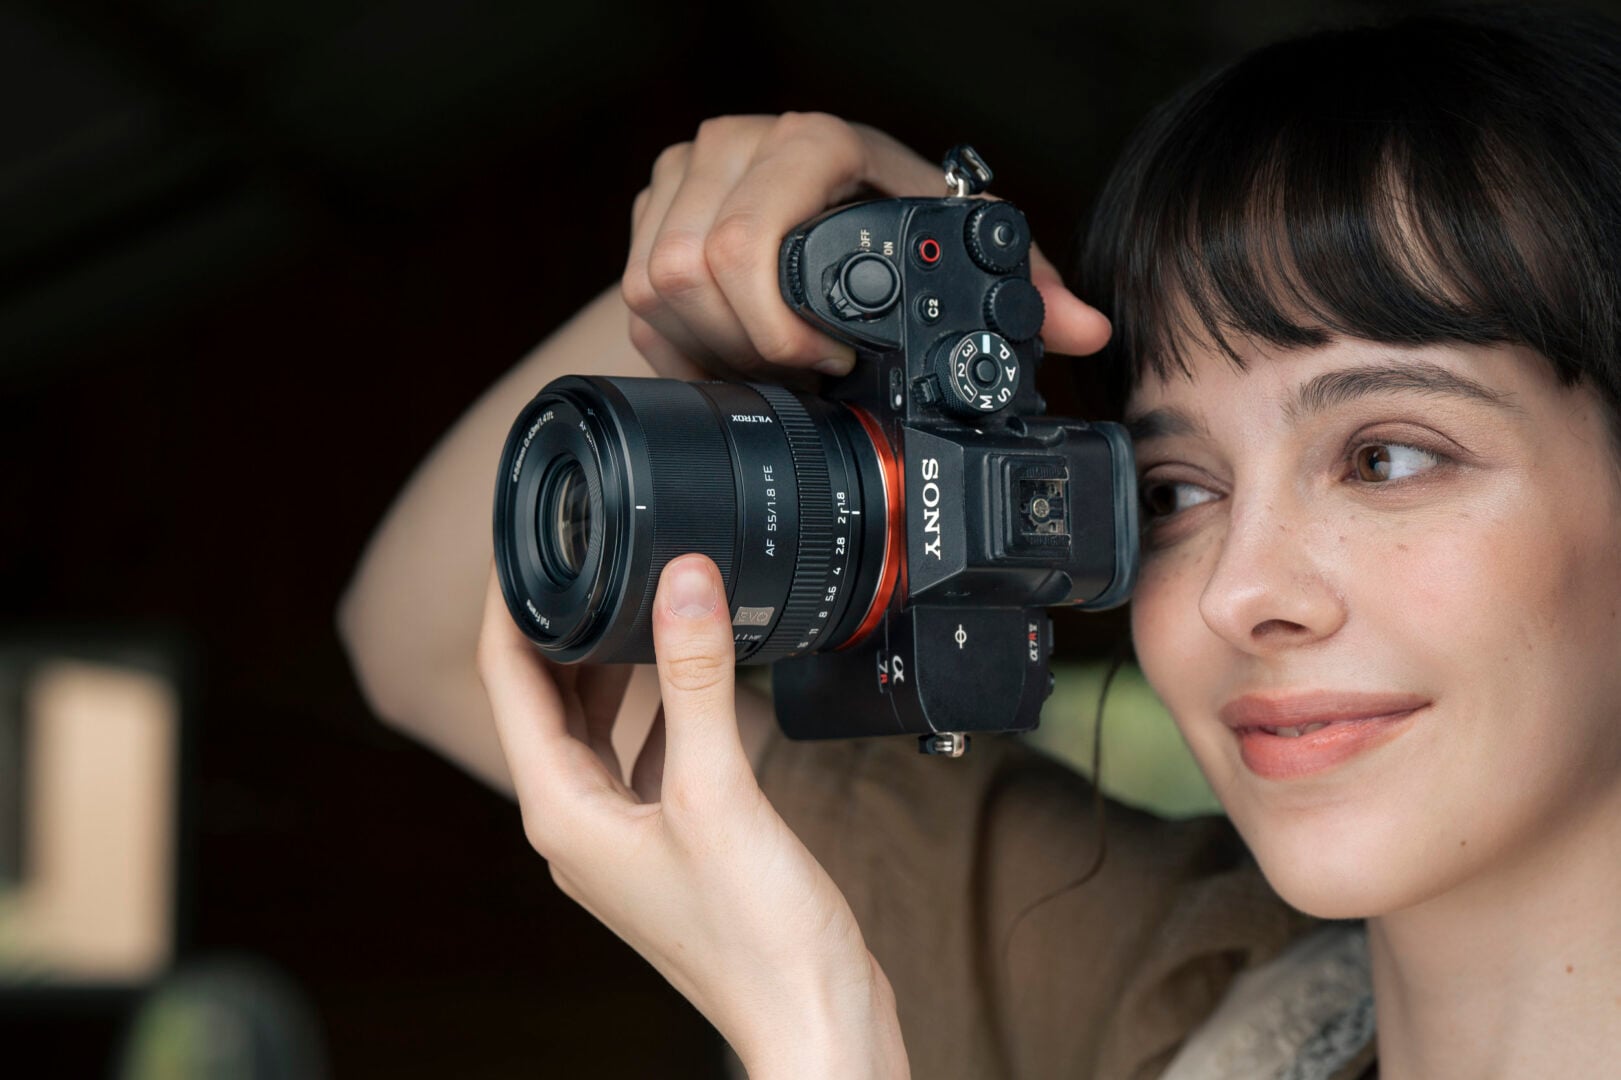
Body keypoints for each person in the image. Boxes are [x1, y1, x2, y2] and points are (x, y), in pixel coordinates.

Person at [337, 7, 1621, 1078]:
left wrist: (823, 1043)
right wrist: (824, 252)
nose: (1239, 592)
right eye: (1175, 489)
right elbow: (433, 635)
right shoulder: (1166, 986)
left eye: (1387, 457)